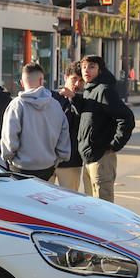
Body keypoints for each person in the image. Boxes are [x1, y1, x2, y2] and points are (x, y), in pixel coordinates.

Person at [73, 54, 135, 202]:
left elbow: (127, 118)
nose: (86, 70)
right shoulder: (89, 90)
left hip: (101, 157)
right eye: (84, 67)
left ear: (100, 70)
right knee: (91, 206)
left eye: (92, 67)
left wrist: (115, 145)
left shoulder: (104, 90)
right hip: (88, 158)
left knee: (103, 204)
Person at [0, 62, 69, 181]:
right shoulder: (55, 105)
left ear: (22, 83)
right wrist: (59, 158)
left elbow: (10, 138)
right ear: (42, 80)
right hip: (48, 166)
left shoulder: (16, 105)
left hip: (20, 167)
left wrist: (8, 157)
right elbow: (63, 135)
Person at [54, 62, 85, 191]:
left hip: (72, 162)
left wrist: (74, 99)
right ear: (66, 77)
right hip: (48, 160)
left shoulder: (84, 101)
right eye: (74, 79)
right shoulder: (52, 98)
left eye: (81, 80)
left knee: (70, 200)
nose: (78, 84)